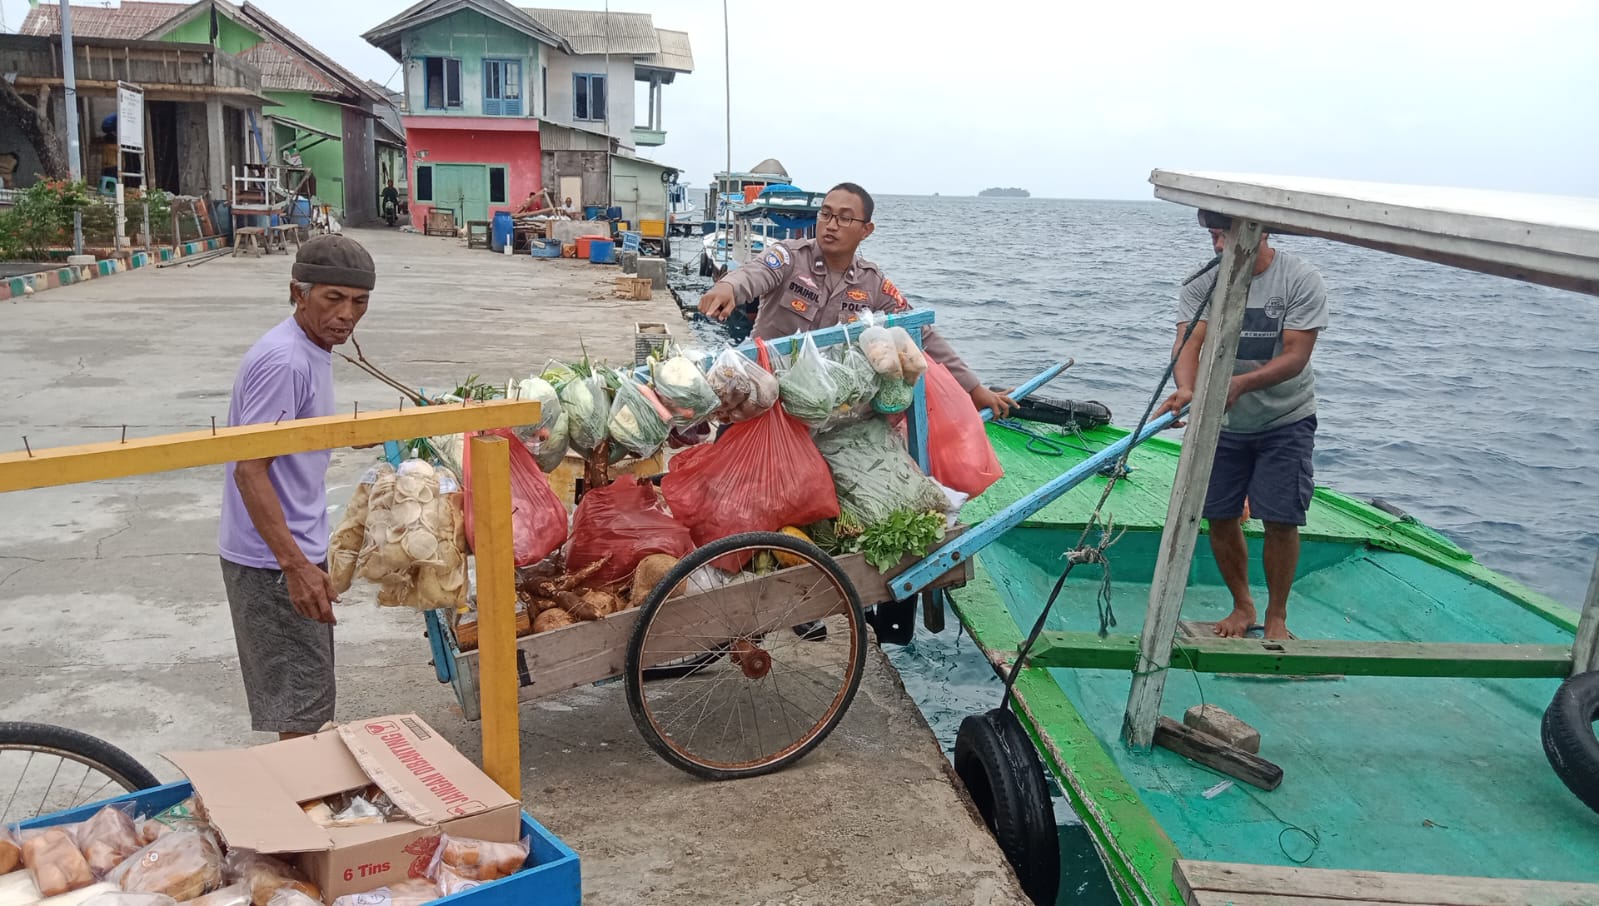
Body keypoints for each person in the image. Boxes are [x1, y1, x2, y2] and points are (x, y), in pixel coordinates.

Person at [218, 235, 376, 739]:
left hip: (293, 549)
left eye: (359, 302)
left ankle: (300, 800)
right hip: (272, 559)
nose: (347, 315)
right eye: (333, 298)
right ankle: (296, 810)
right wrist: (295, 567)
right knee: (300, 712)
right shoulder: (285, 361)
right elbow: (250, 469)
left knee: (307, 702)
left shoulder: (312, 349)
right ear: (298, 292)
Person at [698, 182, 1017, 417]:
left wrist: (974, 389)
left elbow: (923, 333)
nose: (831, 225)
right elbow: (754, 274)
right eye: (826, 214)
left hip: (820, 404)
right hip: (761, 395)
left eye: (845, 218)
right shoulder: (789, 257)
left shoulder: (873, 283)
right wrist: (728, 287)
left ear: (866, 230)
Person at [1155, 216, 1329, 640]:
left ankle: (1277, 615)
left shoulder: (1300, 278)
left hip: (1284, 417)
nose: (1218, 247)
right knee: (1219, 513)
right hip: (1222, 421)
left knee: (1281, 517)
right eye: (1213, 237)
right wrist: (1187, 389)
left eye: (1226, 237)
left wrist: (1241, 384)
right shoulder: (1201, 284)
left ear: (1260, 233)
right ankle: (1243, 605)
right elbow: (1188, 342)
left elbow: (1296, 354)